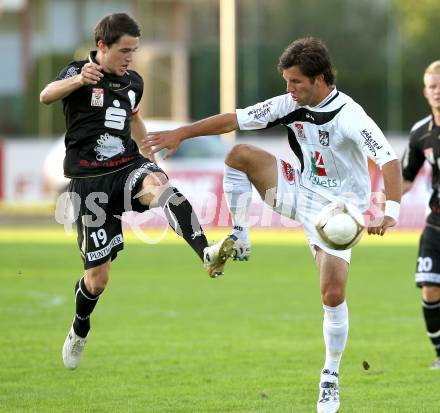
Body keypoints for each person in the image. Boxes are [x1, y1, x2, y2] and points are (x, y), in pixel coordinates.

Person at [143, 37, 402, 413]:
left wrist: (389, 209)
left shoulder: (350, 115)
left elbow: (389, 159)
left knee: (331, 295)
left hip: (342, 213)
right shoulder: (289, 104)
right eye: (286, 82)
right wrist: (183, 132)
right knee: (238, 155)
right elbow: (236, 118)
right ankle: (240, 234)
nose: (289, 90)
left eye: (296, 82)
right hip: (300, 189)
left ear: (319, 79)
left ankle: (330, 376)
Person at [39, 13, 233, 371]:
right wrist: (79, 80)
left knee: (161, 188)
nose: (131, 57)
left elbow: (133, 115)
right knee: (97, 279)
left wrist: (148, 146)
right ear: (102, 46)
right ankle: (80, 327)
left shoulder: (133, 82)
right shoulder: (77, 72)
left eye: (135, 50)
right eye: (124, 50)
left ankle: (205, 251)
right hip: (88, 183)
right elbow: (46, 95)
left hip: (126, 166)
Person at [401, 60, 440, 369]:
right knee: (429, 287)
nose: (437, 92)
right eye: (432, 86)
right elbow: (405, 179)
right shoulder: (420, 134)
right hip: (436, 222)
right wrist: (376, 201)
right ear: (425, 92)